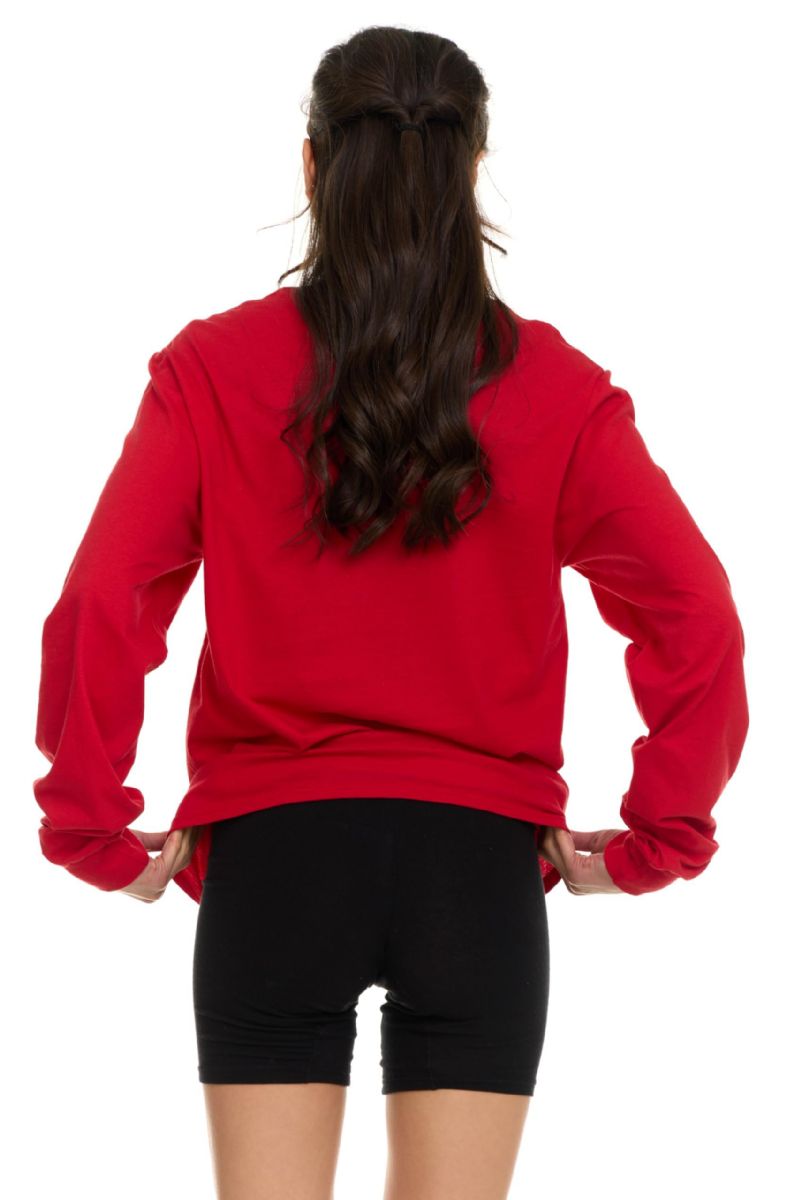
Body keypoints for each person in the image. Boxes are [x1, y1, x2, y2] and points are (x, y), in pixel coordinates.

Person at [32, 24, 749, 1200]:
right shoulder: (561, 391)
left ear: (313, 165)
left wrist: (91, 825)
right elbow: (697, 614)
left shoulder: (211, 371)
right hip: (478, 869)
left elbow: (106, 597)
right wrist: (655, 837)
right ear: (472, 170)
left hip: (274, 858)